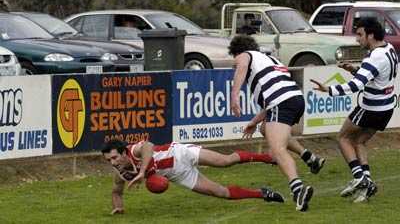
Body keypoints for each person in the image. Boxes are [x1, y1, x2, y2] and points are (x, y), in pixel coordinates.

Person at [311, 17, 398, 203]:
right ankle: (368, 184)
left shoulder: (375, 56)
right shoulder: (389, 49)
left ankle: (359, 178)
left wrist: (329, 90)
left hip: (371, 107)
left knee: (343, 138)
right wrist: (355, 69)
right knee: (359, 142)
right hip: (387, 108)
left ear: (371, 35)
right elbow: (376, 76)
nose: (357, 39)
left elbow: (357, 85)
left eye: (360, 35)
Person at [229, 35, 313, 212]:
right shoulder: (271, 60)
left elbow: (242, 65)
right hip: (296, 100)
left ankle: (298, 190)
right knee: (266, 129)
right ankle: (308, 158)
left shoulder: (244, 55)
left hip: (281, 103)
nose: (235, 62)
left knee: (277, 150)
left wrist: (234, 96)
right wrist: (253, 122)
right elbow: (275, 97)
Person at [101, 139, 284, 215]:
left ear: (124, 152)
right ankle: (262, 193)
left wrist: (142, 173)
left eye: (115, 157)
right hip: (179, 174)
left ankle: (268, 158)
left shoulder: (133, 150)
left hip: (180, 153)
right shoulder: (122, 173)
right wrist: (119, 208)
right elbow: (117, 192)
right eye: (109, 160)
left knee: (224, 161)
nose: (113, 162)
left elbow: (148, 145)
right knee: (220, 193)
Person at [243, 113, 325, 175]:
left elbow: (267, 106)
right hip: (289, 100)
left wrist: (254, 122)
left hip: (285, 101)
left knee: (270, 130)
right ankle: (311, 158)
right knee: (267, 129)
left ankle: (296, 183)